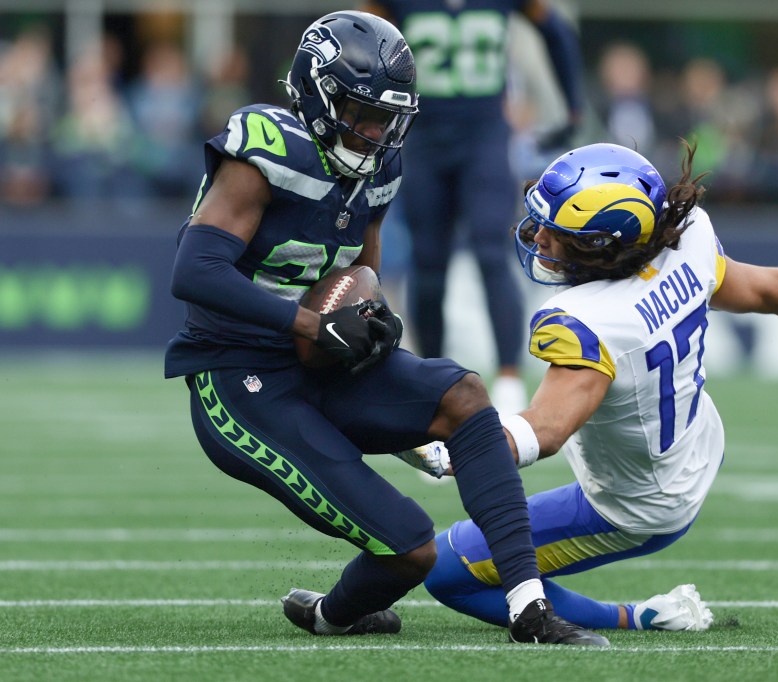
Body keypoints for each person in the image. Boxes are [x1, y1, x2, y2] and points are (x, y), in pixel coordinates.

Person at [164, 11, 606, 646]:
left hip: (315, 360)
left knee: (464, 396)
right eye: (359, 112)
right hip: (238, 377)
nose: (374, 132)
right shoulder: (265, 148)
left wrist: (370, 326)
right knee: (410, 547)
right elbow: (195, 270)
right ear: (317, 95)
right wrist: (311, 323)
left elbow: (362, 272)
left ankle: (529, 608)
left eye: (387, 117)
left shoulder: (380, 165)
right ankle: (331, 615)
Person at [399, 142, 778, 631]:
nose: (540, 238)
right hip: (695, 445)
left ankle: (638, 615)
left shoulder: (585, 321)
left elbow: (544, 430)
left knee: (449, 574)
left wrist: (454, 451)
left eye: (559, 233)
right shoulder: (682, 243)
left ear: (602, 248)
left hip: (635, 504)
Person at [361, 0, 585, 413]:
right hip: (423, 136)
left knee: (489, 248)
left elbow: (554, 30)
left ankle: (509, 377)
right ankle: (431, 380)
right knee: (429, 263)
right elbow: (361, 39)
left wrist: (572, 103)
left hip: (485, 137)